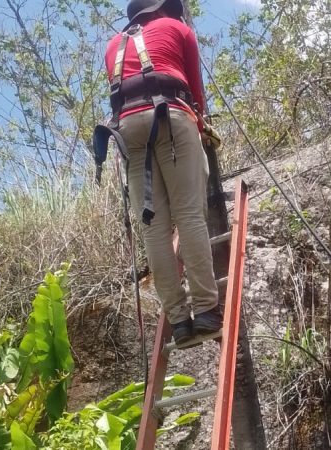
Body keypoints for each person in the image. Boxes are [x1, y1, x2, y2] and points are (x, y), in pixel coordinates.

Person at [102, 0, 222, 345]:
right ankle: (206, 310)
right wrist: (201, 127)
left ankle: (179, 320)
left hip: (126, 130)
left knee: (153, 228)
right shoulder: (178, 28)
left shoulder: (113, 45)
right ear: (159, 10)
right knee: (189, 215)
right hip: (171, 116)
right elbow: (195, 92)